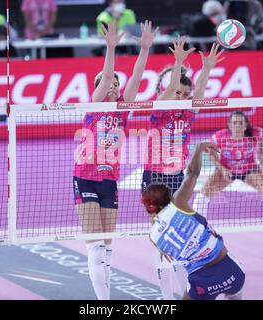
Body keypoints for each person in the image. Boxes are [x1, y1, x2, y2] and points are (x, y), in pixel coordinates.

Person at [73, 21, 157, 300]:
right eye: (107, 83)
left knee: (107, 250)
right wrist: (111, 48)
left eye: (115, 84)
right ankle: (103, 302)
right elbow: (108, 77)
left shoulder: (123, 109)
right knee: (95, 248)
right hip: (85, 177)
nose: (112, 86)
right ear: (98, 88)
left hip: (109, 181)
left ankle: (104, 295)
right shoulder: (95, 106)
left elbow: (137, 74)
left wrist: (144, 49)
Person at [142, 40, 224, 299]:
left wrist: (206, 67)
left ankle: (182, 292)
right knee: (164, 244)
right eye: (176, 93)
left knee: (182, 244)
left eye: (183, 95)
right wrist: (178, 63)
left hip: (177, 178)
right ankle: (167, 298)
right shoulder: (159, 111)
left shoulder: (188, 113)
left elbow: (197, 93)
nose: (180, 98)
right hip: (155, 179)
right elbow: (169, 90)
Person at [141, 141, 245, 300]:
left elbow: (166, 245)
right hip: (232, 272)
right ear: (169, 196)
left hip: (202, 284)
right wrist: (198, 149)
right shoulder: (178, 204)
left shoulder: (153, 236)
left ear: (150, 206)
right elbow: (192, 172)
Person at [194, 111, 263, 258]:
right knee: (200, 200)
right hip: (227, 170)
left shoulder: (256, 134)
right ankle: (201, 239)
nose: (238, 125)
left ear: (245, 125)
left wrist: (261, 156)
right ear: (229, 125)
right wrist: (222, 169)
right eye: (234, 123)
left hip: (249, 170)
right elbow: (210, 153)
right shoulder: (220, 137)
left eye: (241, 123)